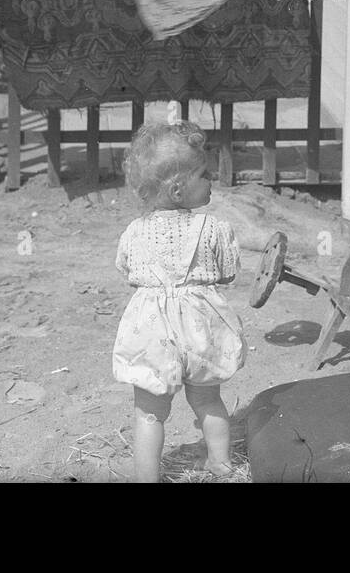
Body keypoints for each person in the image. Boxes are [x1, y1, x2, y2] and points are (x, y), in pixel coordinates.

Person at [111, 121, 247, 482]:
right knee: (208, 401)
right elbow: (229, 271)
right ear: (177, 190)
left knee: (149, 414)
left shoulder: (134, 232)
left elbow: (128, 271)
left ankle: (147, 479)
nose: (211, 181)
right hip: (201, 329)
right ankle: (221, 466)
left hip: (154, 334)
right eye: (204, 174)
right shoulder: (213, 229)